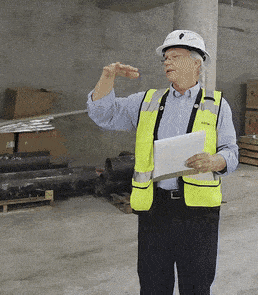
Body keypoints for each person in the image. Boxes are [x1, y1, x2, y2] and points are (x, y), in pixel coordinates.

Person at [87, 30, 239, 295]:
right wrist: (107, 77)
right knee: (153, 285)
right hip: (155, 210)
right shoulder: (147, 101)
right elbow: (103, 114)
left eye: (175, 56)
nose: (167, 62)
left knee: (196, 285)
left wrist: (216, 160)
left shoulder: (217, 105)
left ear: (196, 63)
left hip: (198, 213)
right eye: (165, 58)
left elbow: (231, 153)